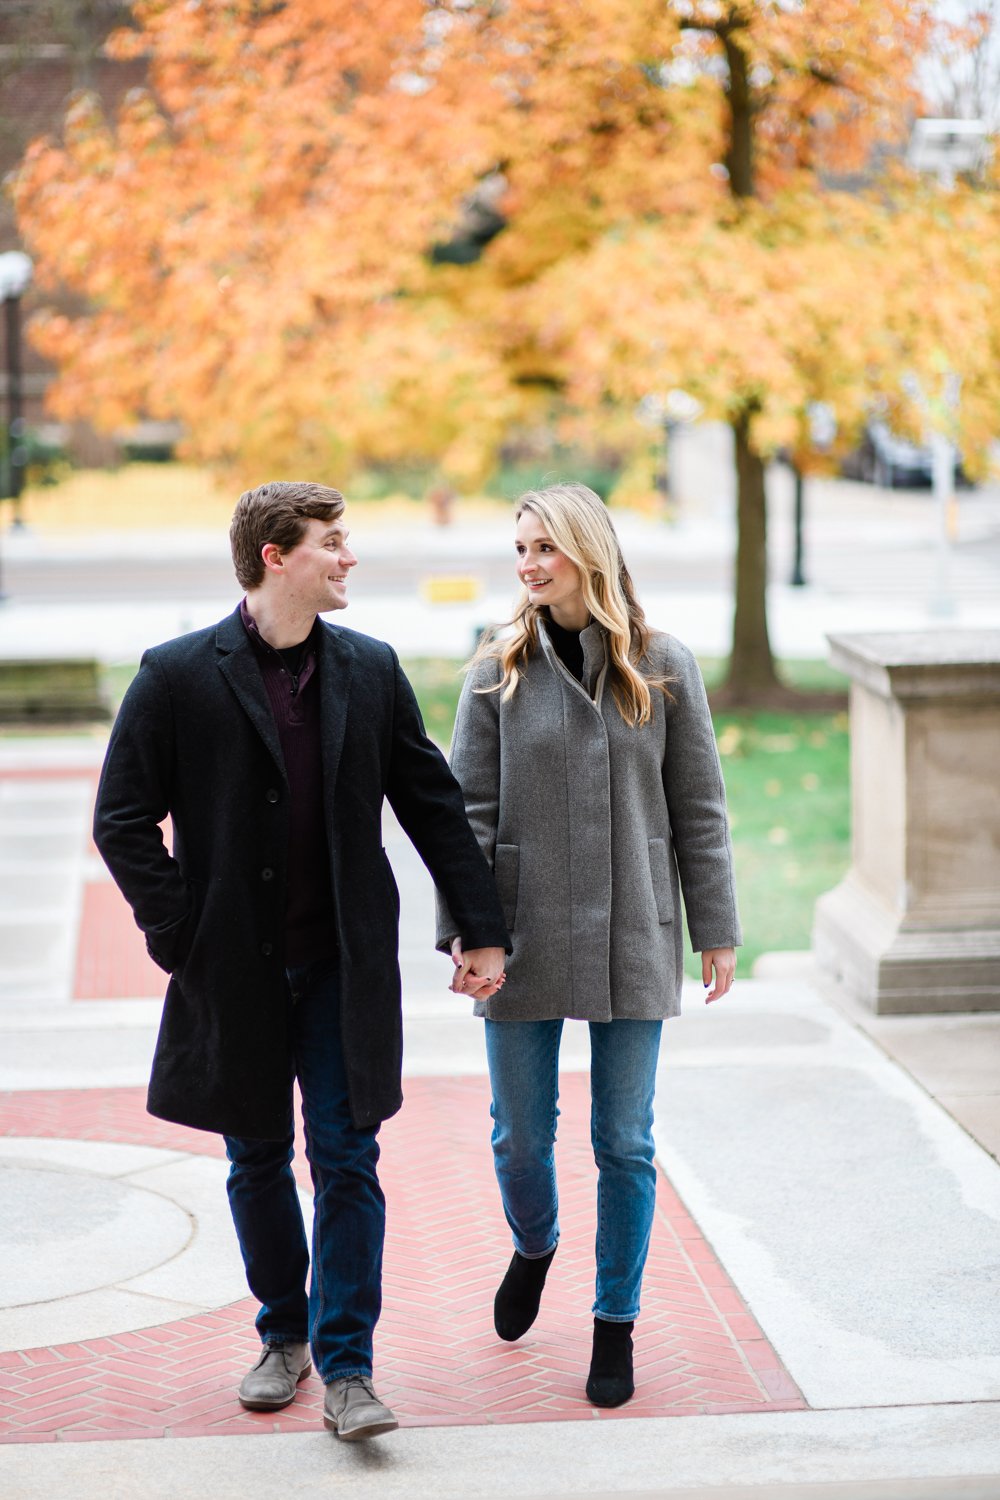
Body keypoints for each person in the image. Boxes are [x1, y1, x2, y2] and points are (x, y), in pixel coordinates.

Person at [94, 481, 509, 1441]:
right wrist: (180, 933)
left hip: (342, 965)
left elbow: (431, 804)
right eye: (333, 541)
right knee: (256, 1155)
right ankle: (284, 1336)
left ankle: (350, 1367)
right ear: (277, 555)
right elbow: (121, 820)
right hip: (231, 969)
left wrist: (478, 927)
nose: (349, 556)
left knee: (348, 1155)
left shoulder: (369, 669)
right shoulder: (176, 674)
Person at [437, 482, 740, 1409]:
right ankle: (535, 1244)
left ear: (588, 552)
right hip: (519, 935)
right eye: (520, 548)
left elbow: (700, 809)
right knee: (520, 1139)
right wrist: (468, 935)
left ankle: (616, 1322)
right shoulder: (496, 670)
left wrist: (716, 925)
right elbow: (466, 816)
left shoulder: (664, 666)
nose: (528, 566)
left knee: (625, 1141)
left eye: (544, 549)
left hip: (632, 928)